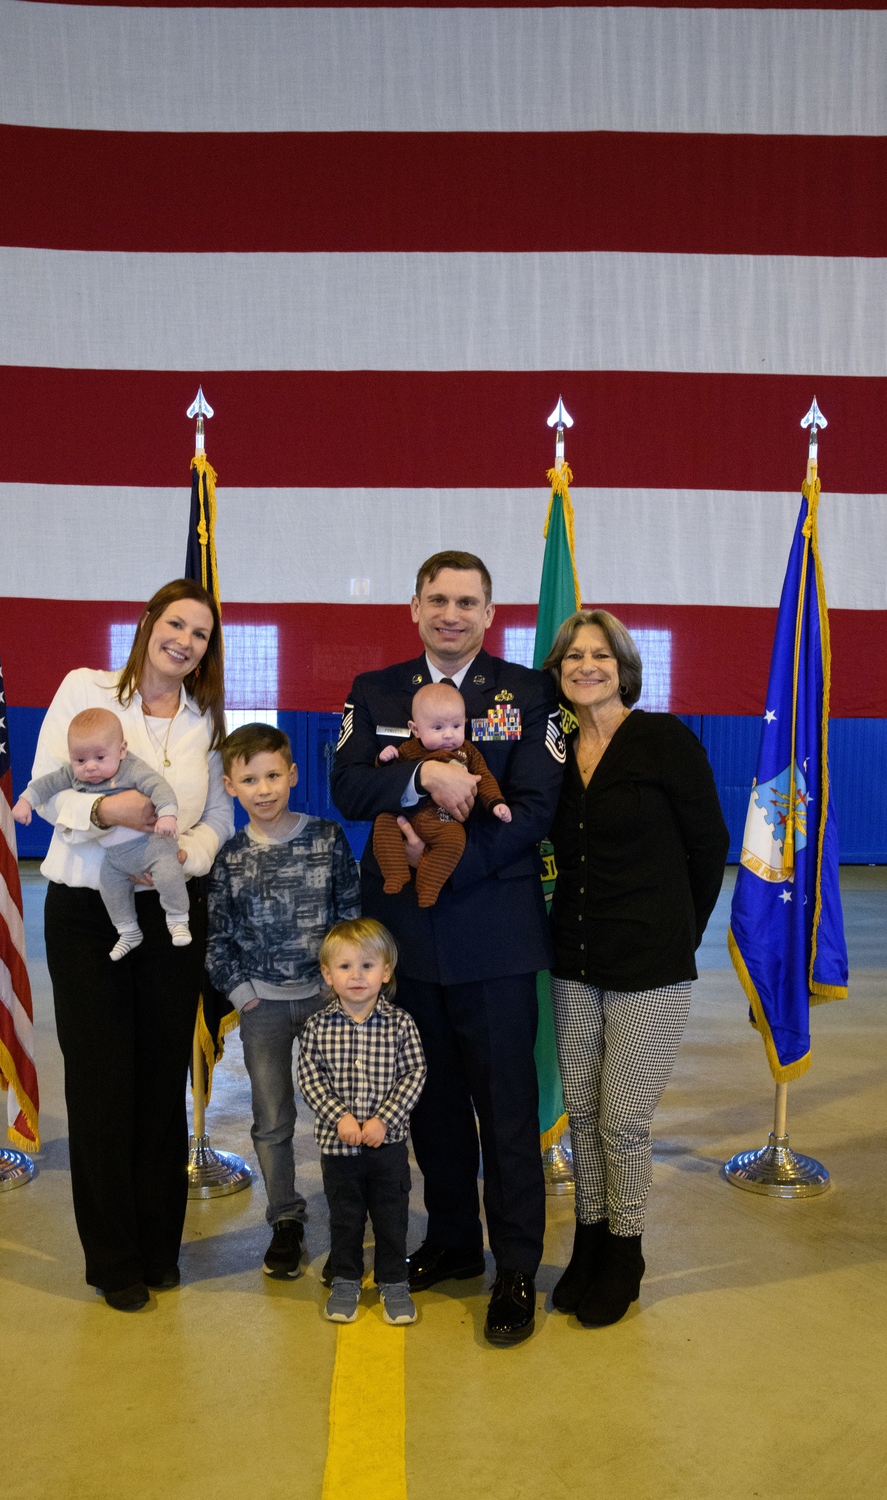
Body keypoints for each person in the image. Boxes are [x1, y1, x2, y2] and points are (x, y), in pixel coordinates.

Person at [331, 550, 564, 1346]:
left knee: (504, 1112)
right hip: (402, 939)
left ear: (491, 614)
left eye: (468, 601)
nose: (452, 613)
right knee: (429, 1106)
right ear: (414, 606)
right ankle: (456, 1242)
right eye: (438, 599)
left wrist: (456, 859)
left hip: (494, 935)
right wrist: (420, 783)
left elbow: (537, 806)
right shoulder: (377, 691)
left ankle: (518, 1269)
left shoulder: (529, 694)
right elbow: (349, 787)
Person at [31, 579, 233, 1312]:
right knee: (99, 1084)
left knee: (159, 1085)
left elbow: (217, 813)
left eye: (201, 634)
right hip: (87, 916)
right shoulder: (84, 688)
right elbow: (48, 791)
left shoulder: (203, 719)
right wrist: (102, 807)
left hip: (172, 919)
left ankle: (159, 1248)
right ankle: (114, 1260)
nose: (184, 640)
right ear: (149, 623)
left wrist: (190, 857)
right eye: (175, 623)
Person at [543, 610, 729, 1327]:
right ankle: (588, 1241)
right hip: (575, 957)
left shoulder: (663, 741)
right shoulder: (556, 752)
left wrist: (677, 933)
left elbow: (707, 847)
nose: (586, 665)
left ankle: (626, 1251)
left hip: (651, 966)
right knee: (583, 1112)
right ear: (557, 672)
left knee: (622, 1120)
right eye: (572, 657)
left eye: (600, 655)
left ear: (624, 668)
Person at [205, 723, 360, 1280]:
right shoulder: (229, 858)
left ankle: (347, 1218)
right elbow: (217, 938)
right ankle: (285, 1222)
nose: (264, 788)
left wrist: (340, 988)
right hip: (262, 1008)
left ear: (293, 775)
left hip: (326, 1002)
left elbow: (350, 915)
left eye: (273, 775)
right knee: (272, 1119)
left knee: (341, 1111)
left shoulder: (327, 838)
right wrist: (243, 995)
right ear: (230, 785)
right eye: (250, 779)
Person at [297, 918, 427, 1326]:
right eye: (345, 966)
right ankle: (346, 1279)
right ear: (327, 975)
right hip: (339, 1151)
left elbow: (414, 1073)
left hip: (386, 1148)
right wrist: (340, 1117)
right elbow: (309, 1077)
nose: (356, 975)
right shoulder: (317, 1028)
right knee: (345, 1218)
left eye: (367, 966)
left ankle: (394, 1282)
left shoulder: (401, 1024)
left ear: (385, 972)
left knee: (391, 1218)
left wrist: (384, 1120)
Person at [13, 706, 192, 961]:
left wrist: (167, 814)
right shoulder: (74, 776)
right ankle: (128, 931)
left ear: (121, 750)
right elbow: (46, 784)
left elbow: (158, 787)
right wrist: (25, 801)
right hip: (116, 856)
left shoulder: (131, 768)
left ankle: (178, 919)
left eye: (100, 757)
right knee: (110, 887)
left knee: (169, 873)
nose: (90, 768)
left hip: (152, 846)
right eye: (80, 760)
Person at [372, 681, 511, 907]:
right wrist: (383, 758)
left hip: (443, 819)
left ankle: (428, 885)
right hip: (409, 815)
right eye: (438, 728)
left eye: (456, 726)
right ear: (415, 728)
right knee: (383, 821)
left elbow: (483, 777)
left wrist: (495, 802)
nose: (449, 735)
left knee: (455, 841)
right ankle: (395, 873)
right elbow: (386, 779)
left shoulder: (468, 751)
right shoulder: (410, 749)